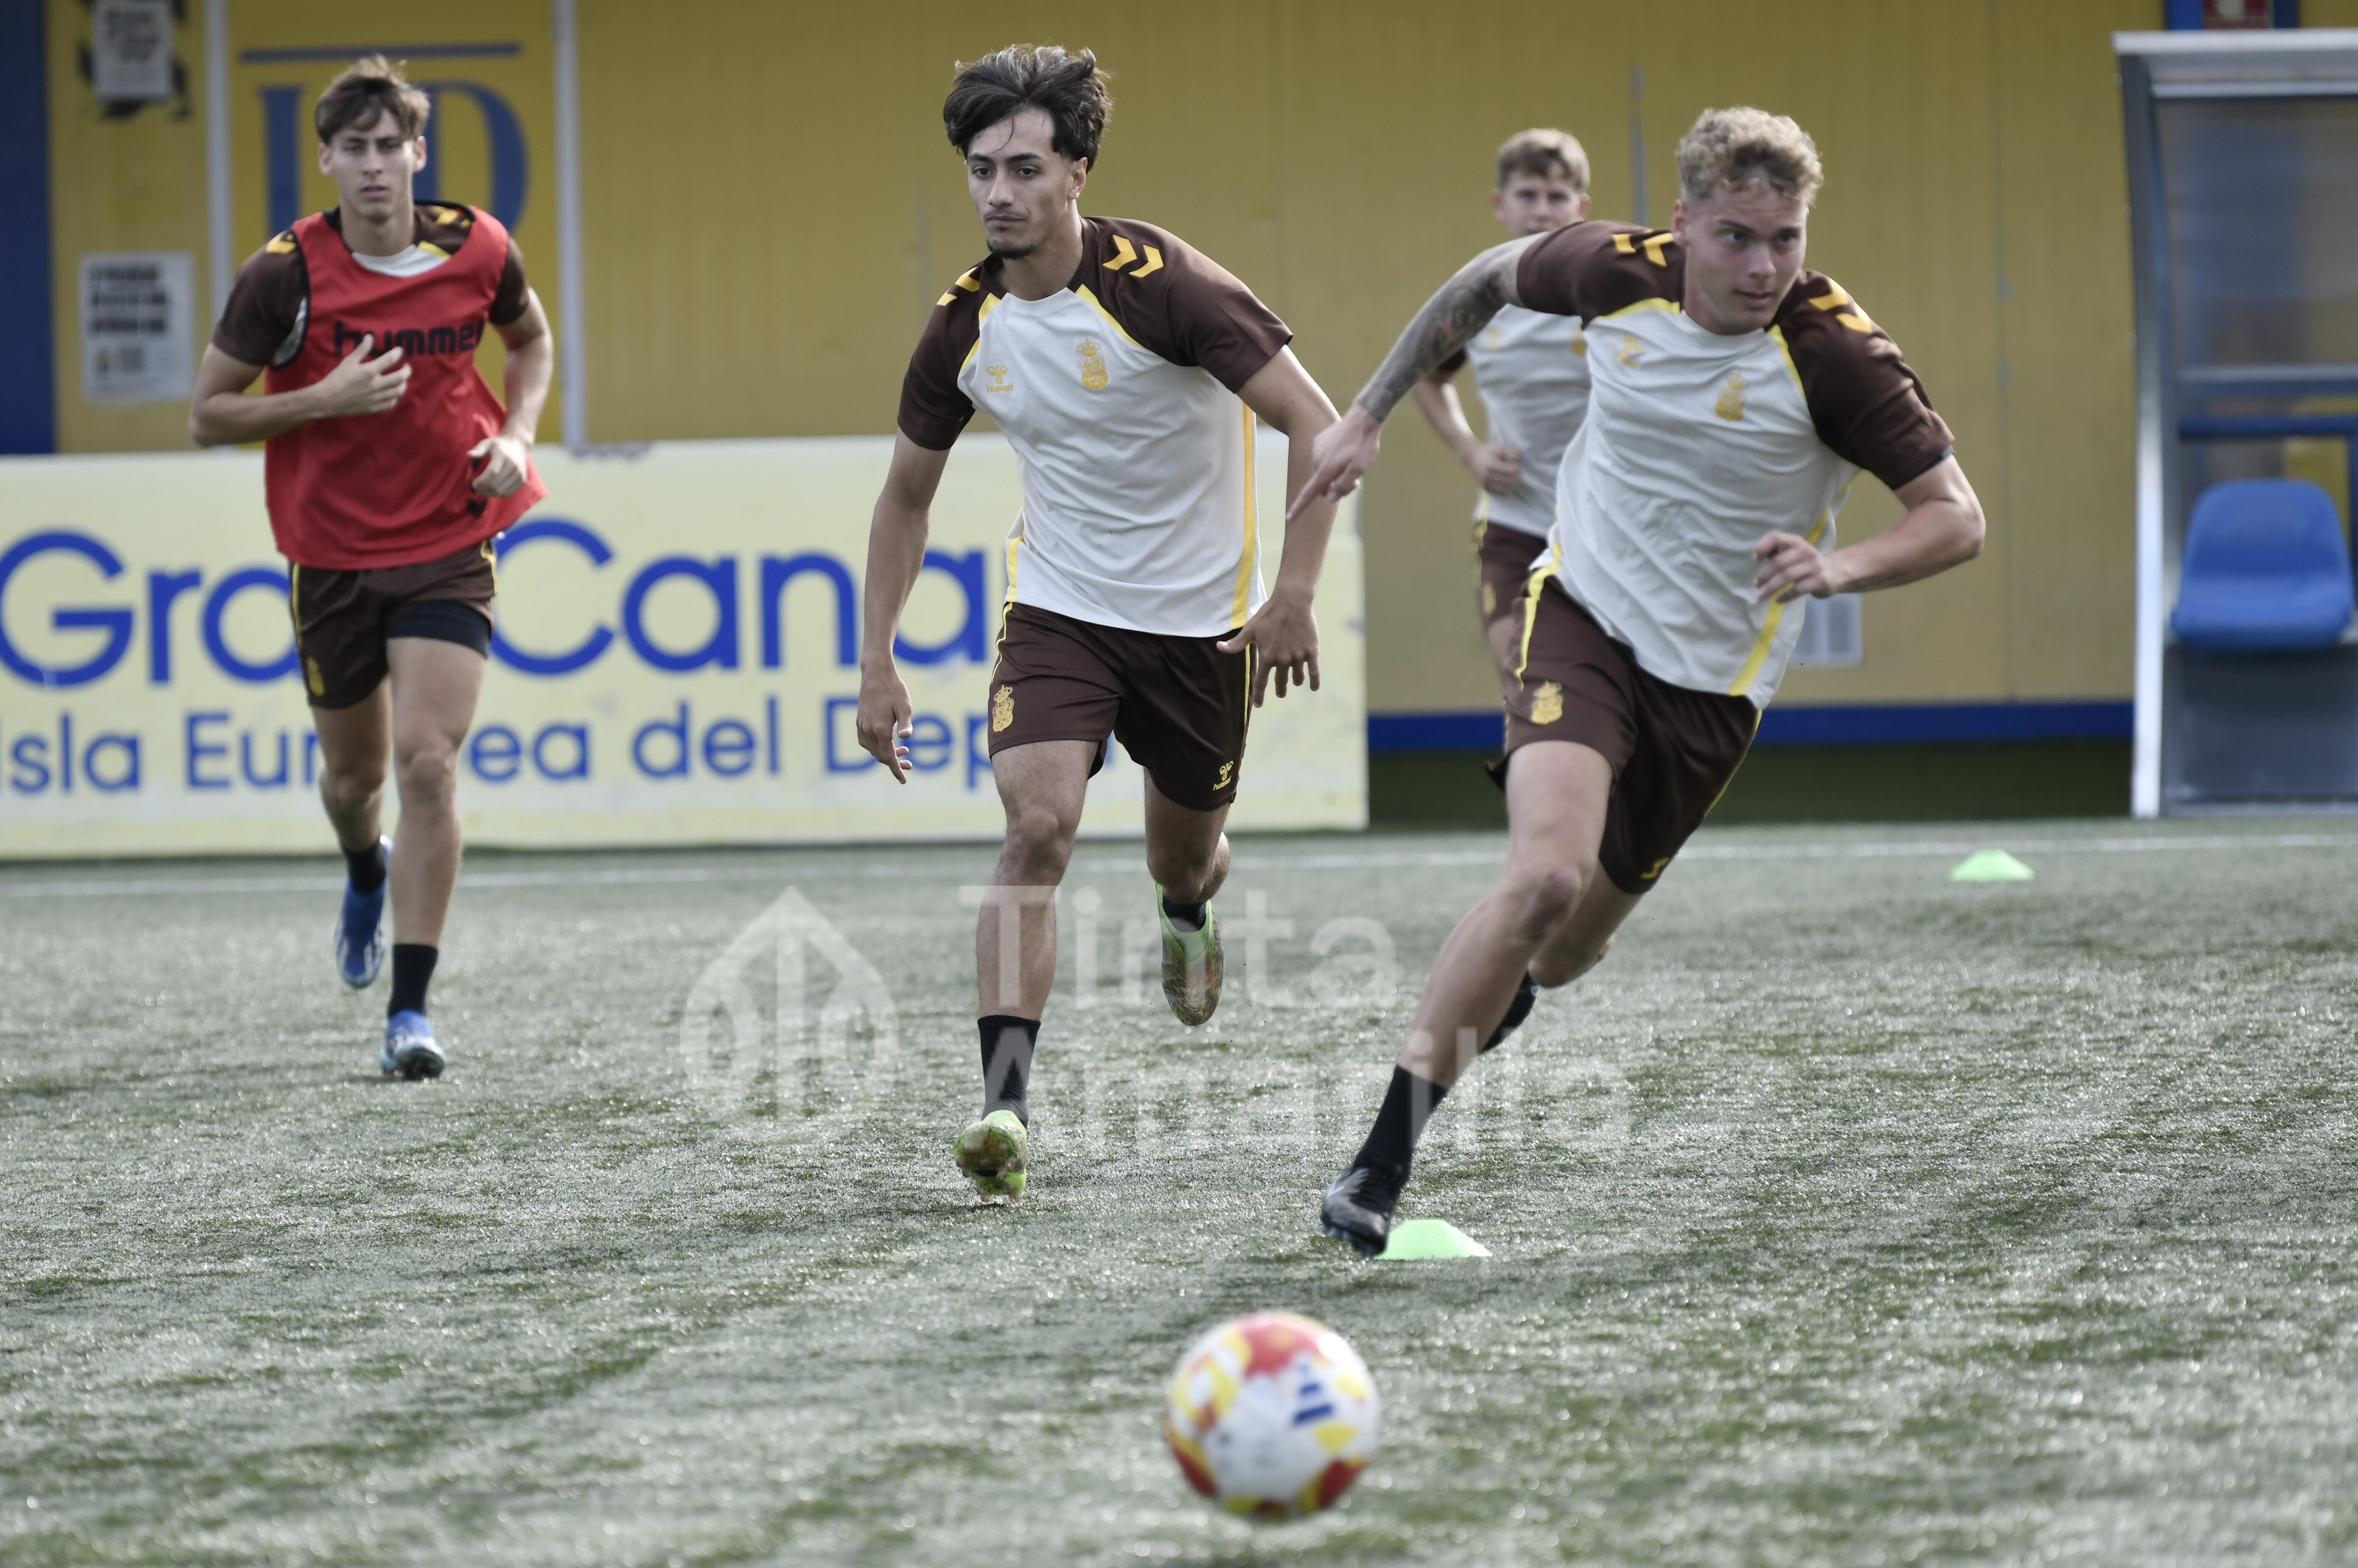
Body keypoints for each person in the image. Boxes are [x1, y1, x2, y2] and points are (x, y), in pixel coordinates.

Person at [1297, 107, 1987, 1254]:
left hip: (1713, 688)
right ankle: (1375, 1171)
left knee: (1566, 957)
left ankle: (1501, 988)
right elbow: (1479, 281)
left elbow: (1956, 520)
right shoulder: (1615, 270)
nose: (1763, 266)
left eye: (1786, 238)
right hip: (1581, 616)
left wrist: (1840, 565)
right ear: (1681, 227)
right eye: (1735, 237)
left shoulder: (1838, 355)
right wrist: (1366, 414)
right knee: (1542, 882)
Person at [855, 44, 1341, 1203]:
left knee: (1187, 855)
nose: (999, 194)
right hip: (1060, 614)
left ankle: (1186, 910)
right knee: (1039, 828)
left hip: (1200, 634)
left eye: (1025, 168)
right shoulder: (963, 326)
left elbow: (1319, 428)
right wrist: (874, 661)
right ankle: (1004, 1112)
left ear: (1077, 170)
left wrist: (1295, 594)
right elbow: (905, 498)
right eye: (981, 171)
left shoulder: (1169, 285)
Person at [189, 55, 553, 1080]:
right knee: (354, 783)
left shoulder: (477, 244)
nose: (376, 167)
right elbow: (207, 413)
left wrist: (518, 439)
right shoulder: (284, 275)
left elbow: (531, 342)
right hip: (332, 554)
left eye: (391, 147)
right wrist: (320, 399)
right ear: (327, 161)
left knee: (428, 763)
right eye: (355, 149)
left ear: (418, 154)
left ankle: (410, 1013)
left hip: (449, 535)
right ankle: (363, 867)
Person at [1411, 129, 1593, 687]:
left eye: (1557, 197)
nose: (1542, 211)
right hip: (1512, 522)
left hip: (1604, 523)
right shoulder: (1480, 293)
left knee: (1600, 690)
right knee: (1526, 683)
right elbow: (1426, 377)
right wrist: (1471, 451)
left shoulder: (1604, 293)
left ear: (1581, 207)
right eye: (1528, 195)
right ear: (1501, 204)